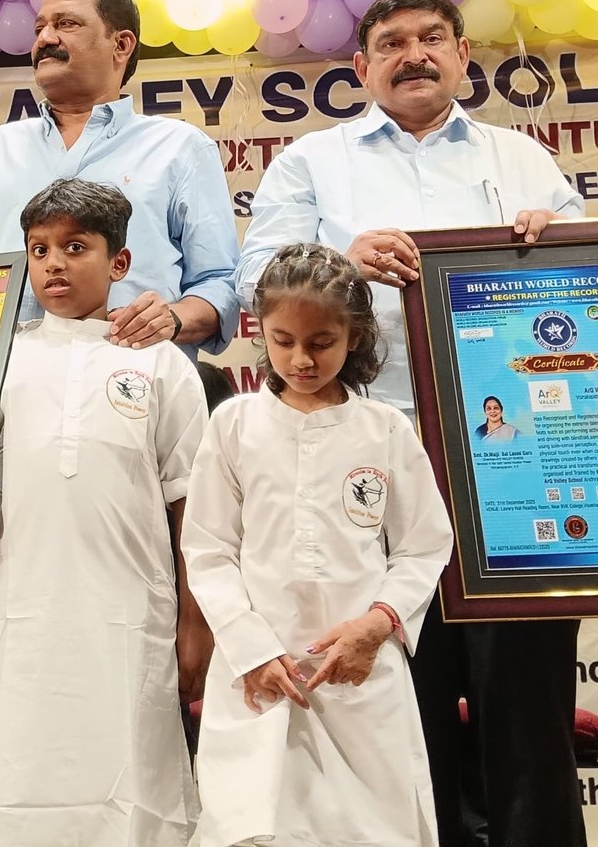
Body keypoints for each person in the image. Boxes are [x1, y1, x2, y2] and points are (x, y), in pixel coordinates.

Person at [236, 0, 587, 847]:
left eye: (432, 38)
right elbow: (255, 279)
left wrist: (556, 242)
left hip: (516, 461)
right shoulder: (312, 163)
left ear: (463, 56)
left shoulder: (522, 160)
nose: (413, 55)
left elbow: (592, 282)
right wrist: (337, 260)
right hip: (368, 465)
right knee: (396, 699)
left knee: (527, 704)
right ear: (361, 67)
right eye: (391, 43)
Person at [0, 178, 208, 846]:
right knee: (11, 784)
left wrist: (195, 623)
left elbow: (193, 509)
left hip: (129, 622)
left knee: (130, 794)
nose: (54, 263)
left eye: (75, 247)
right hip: (16, 620)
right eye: (39, 249)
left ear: (119, 262)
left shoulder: (163, 365)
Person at [184, 243, 453, 846]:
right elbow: (208, 550)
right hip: (258, 672)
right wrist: (251, 648)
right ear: (260, 331)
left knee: (370, 831)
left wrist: (375, 626)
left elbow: (424, 546)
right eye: (283, 341)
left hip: (359, 674)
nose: (300, 359)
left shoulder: (385, 429)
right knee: (256, 826)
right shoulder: (234, 425)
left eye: (321, 343)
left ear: (354, 337)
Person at [0, 0, 239, 356]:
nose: (45, 39)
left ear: (121, 45)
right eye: (39, 28)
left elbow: (220, 284)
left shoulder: (180, 148)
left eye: (66, 24)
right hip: (4, 380)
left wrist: (170, 319)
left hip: (131, 376)